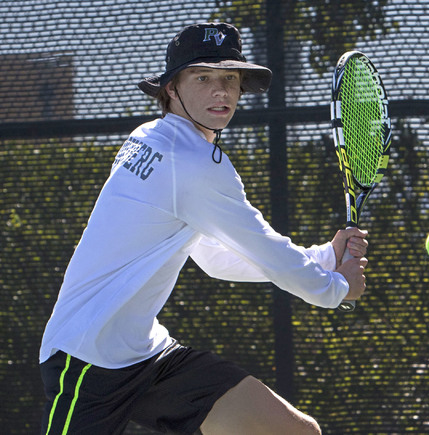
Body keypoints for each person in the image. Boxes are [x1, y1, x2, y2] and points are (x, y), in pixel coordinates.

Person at [39, 22, 368, 435]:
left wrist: (324, 257)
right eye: (203, 77)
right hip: (86, 357)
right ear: (171, 88)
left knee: (296, 431)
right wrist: (335, 288)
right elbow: (267, 251)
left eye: (230, 78)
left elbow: (215, 258)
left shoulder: (150, 137)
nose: (221, 91)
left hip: (146, 355)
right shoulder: (192, 164)